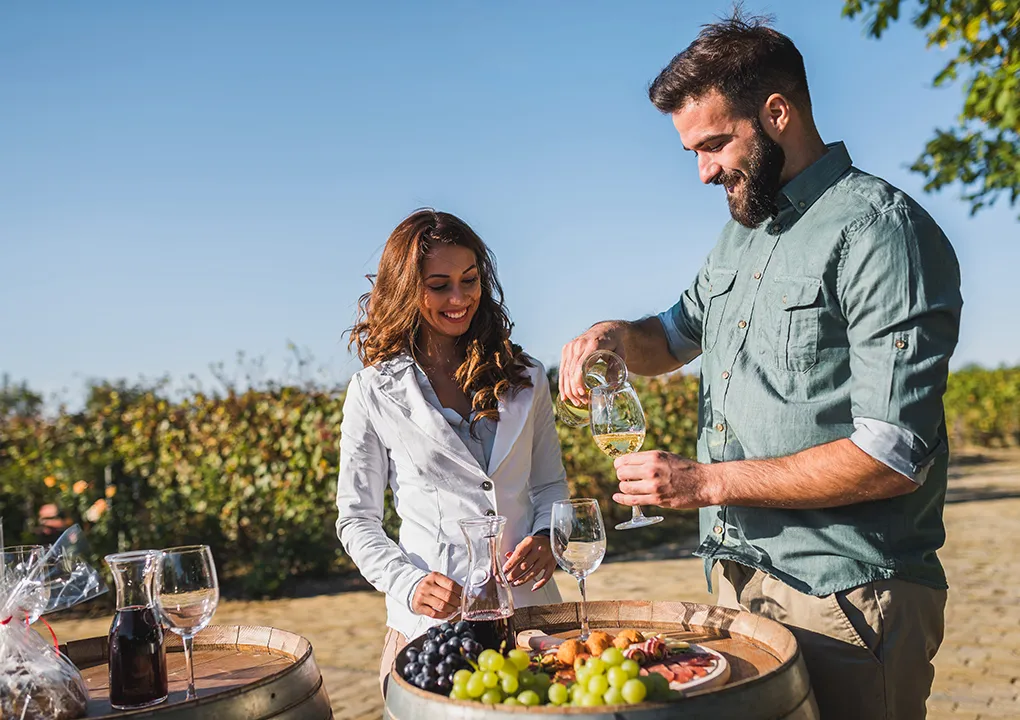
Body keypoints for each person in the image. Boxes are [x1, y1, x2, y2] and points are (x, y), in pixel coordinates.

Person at [560, 14, 962, 720]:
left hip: (845, 597)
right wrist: (615, 337)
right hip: (739, 587)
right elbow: (674, 335)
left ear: (777, 113)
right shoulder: (739, 239)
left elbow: (893, 455)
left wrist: (704, 482)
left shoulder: (879, 233)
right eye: (692, 151)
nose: (703, 170)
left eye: (714, 144)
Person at [336, 209, 568, 693]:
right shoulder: (373, 391)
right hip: (431, 630)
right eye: (439, 285)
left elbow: (548, 484)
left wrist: (547, 536)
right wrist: (408, 583)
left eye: (470, 279)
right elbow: (356, 518)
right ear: (405, 289)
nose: (459, 298)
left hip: (532, 617)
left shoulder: (526, 378)